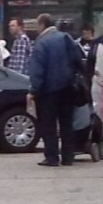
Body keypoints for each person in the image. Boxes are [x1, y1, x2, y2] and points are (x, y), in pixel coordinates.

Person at [27, 16, 82, 166]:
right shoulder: (66, 38)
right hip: (68, 87)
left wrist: (34, 90)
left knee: (48, 124)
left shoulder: (41, 42)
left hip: (48, 90)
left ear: (42, 25)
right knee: (66, 123)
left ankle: (52, 157)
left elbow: (37, 69)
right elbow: (78, 60)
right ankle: (68, 156)